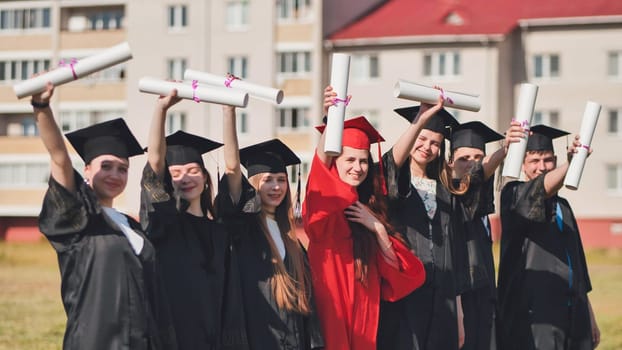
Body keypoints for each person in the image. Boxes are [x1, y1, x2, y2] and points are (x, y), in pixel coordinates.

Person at [32, 83, 176, 349]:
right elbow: (60, 159)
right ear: (87, 170)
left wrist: (161, 109)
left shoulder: (132, 227)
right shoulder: (78, 221)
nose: (114, 174)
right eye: (105, 166)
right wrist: (42, 107)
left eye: (122, 169)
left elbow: (155, 163)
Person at [302, 86, 426, 350]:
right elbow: (320, 167)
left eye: (362, 161)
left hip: (366, 315)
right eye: (349, 160)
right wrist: (332, 118)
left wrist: (378, 230)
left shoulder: (369, 210)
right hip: (330, 313)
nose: (357, 168)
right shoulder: (325, 209)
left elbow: (398, 274)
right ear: (335, 161)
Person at [140, 90, 247, 349]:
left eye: (193, 170)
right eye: (175, 173)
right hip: (174, 338)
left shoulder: (220, 232)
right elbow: (155, 162)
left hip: (216, 338)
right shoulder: (163, 227)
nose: (185, 178)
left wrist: (228, 110)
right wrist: (161, 109)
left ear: (205, 177)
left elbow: (232, 169)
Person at [216, 105, 324, 349]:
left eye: (281, 180)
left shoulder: (292, 241)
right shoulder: (243, 228)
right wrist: (229, 112)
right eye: (268, 180)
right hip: (259, 338)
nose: (276, 187)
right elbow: (233, 168)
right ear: (254, 183)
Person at [497, 125, 600, 350]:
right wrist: (571, 163)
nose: (541, 167)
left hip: (573, 311)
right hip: (535, 315)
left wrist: (589, 313)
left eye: (548, 160)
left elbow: (578, 263)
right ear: (523, 165)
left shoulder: (563, 206)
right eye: (534, 161)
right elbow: (539, 191)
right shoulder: (513, 196)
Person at [377, 97, 467, 350]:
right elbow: (389, 165)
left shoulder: (446, 193)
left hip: (443, 301)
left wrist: (459, 314)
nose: (427, 147)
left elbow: (455, 254)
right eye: (422, 138)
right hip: (406, 296)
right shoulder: (397, 185)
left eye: (435, 143)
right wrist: (421, 119)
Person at [447, 121, 523, 350]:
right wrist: (504, 150)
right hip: (462, 303)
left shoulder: (483, 211)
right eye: (464, 158)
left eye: (479, 157)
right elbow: (473, 180)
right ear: (450, 163)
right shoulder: (451, 199)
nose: (472, 164)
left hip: (485, 301)